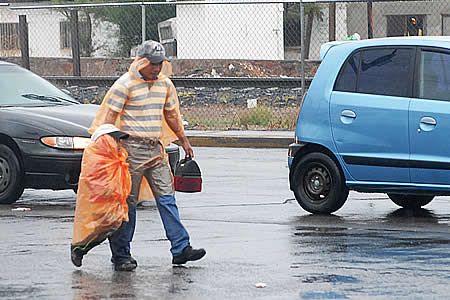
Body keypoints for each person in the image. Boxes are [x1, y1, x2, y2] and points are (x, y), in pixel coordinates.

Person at [90, 40, 206, 272]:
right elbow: (109, 118)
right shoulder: (125, 85)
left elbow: (172, 114)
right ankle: (121, 255)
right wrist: (110, 148)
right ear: (141, 61)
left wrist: (183, 140)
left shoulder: (164, 84)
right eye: (152, 63)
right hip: (130, 150)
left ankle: (181, 248)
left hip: (156, 149)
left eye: (160, 63)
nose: (156, 68)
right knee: (128, 204)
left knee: (167, 199)